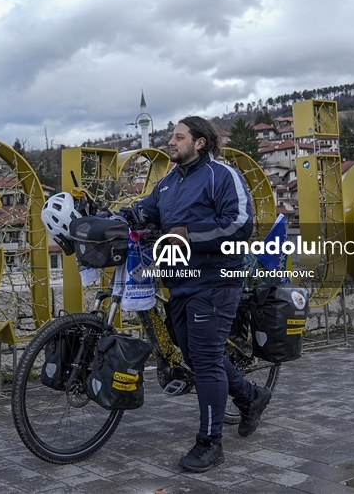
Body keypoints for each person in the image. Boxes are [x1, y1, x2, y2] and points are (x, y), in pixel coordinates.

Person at [133, 116, 271, 473]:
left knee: (206, 359)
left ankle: (210, 444)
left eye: (178, 137)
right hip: (179, 283)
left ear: (200, 143)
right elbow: (142, 213)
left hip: (215, 282)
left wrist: (188, 235)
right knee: (196, 356)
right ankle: (251, 397)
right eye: (170, 136)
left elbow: (240, 225)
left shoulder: (222, 176)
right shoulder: (167, 184)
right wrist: (106, 218)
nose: (170, 141)